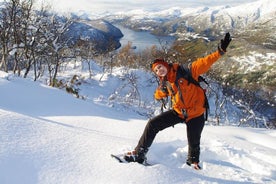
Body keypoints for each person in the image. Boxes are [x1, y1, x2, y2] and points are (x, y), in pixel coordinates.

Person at [124, 33, 232, 169]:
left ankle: (193, 165)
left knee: (193, 141)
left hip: (196, 113)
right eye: (156, 70)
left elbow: (205, 62)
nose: (159, 70)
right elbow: (159, 94)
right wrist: (159, 94)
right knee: (153, 124)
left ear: (166, 65)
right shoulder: (166, 82)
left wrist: (220, 52)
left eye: (160, 67)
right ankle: (139, 154)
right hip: (179, 112)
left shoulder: (186, 71)